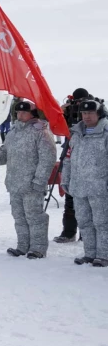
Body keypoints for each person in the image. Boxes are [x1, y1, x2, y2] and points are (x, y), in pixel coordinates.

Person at [0, 100, 56, 259]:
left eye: (24, 112)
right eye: (18, 112)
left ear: (32, 114)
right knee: (19, 217)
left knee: (35, 217)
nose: (20, 115)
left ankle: (38, 248)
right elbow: (5, 154)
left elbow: (47, 159)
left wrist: (39, 181)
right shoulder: (13, 132)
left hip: (32, 184)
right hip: (14, 183)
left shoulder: (40, 131)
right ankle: (23, 245)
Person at [61, 99, 108, 267]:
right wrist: (65, 179)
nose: (86, 116)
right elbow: (68, 160)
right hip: (79, 187)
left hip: (100, 188)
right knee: (84, 221)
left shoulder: (106, 132)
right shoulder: (77, 133)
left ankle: (104, 255)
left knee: (102, 222)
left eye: (90, 113)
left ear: (99, 113)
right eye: (84, 113)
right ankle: (89, 253)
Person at [54, 88, 89, 243]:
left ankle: (86, 234)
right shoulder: (69, 108)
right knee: (69, 196)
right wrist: (62, 111)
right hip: (71, 150)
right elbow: (57, 124)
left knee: (87, 201)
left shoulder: (96, 109)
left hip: (88, 158)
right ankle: (68, 232)